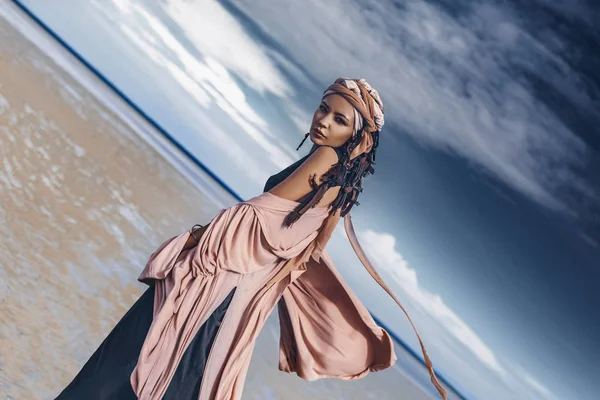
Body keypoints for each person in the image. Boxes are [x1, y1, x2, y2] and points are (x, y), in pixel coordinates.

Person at [55, 78, 447, 400]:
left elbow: (254, 213)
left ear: (356, 137)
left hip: (217, 285)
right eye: (323, 108)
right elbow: (305, 252)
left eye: (339, 119)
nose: (324, 121)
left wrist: (194, 238)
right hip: (242, 299)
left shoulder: (326, 159)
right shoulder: (342, 189)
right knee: (181, 380)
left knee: (127, 368)